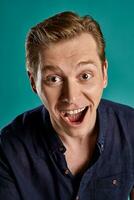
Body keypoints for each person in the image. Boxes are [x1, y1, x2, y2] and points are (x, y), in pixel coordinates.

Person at [0, 11, 134, 200]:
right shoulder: (9, 148)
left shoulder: (131, 129)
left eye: (85, 76)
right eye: (53, 79)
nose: (71, 97)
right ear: (33, 83)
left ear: (104, 74)